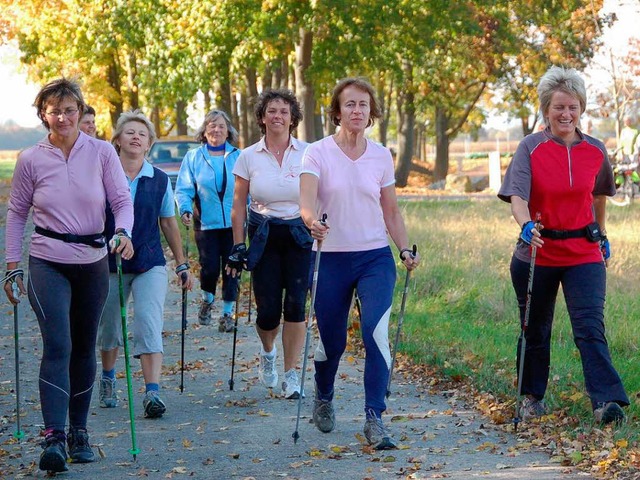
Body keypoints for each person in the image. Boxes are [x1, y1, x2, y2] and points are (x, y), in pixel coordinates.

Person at [2, 78, 133, 473]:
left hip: (93, 259)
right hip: (47, 259)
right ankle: (54, 438)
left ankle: (79, 432)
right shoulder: (30, 158)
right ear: (44, 114)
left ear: (80, 112)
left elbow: (121, 199)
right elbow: (17, 213)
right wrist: (12, 266)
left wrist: (122, 232)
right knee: (57, 343)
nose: (62, 117)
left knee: (82, 346)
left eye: (69, 110)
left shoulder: (101, 153)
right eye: (54, 111)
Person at [498, 66, 629, 426]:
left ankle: (606, 401)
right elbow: (517, 196)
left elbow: (599, 195)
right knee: (535, 328)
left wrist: (601, 235)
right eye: (558, 107)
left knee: (589, 326)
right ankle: (530, 398)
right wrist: (525, 226)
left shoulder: (596, 150)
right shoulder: (531, 147)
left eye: (572, 107)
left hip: (583, 251)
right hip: (537, 251)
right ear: (546, 109)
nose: (566, 114)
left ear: (581, 108)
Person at [299, 77, 420, 449]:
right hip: (330, 257)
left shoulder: (381, 155)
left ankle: (374, 417)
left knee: (375, 333)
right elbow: (305, 202)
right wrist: (311, 221)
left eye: (363, 105)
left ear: (371, 113)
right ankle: (324, 392)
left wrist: (403, 249)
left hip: (374, 257)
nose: (357, 111)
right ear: (337, 111)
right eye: (350, 104)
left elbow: (391, 210)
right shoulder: (316, 153)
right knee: (332, 343)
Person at [97, 110, 194, 417]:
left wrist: (181, 263)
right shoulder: (102, 177)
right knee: (109, 326)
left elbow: (168, 223)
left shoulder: (160, 179)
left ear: (149, 143)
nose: (136, 137)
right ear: (117, 140)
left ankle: (152, 392)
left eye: (142, 134)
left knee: (148, 321)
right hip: (109, 263)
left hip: (149, 261)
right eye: (130, 132)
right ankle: (109, 377)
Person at [226, 89, 310, 399]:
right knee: (268, 312)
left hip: (299, 233)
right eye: (272, 110)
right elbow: (238, 203)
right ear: (262, 117)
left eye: (284, 111)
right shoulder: (248, 155)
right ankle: (268, 350)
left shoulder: (308, 152)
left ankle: (291, 375)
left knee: (296, 305)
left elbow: (319, 193)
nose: (278, 115)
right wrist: (237, 245)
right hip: (263, 233)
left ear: (293, 118)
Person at [175, 110, 240, 331]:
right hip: (206, 224)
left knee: (233, 268)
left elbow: (249, 188)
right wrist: (185, 208)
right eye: (212, 125)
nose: (216, 129)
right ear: (204, 130)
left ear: (228, 130)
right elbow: (183, 189)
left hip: (234, 225)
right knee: (210, 268)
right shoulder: (193, 157)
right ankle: (208, 300)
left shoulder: (238, 156)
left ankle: (227, 314)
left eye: (221, 126)